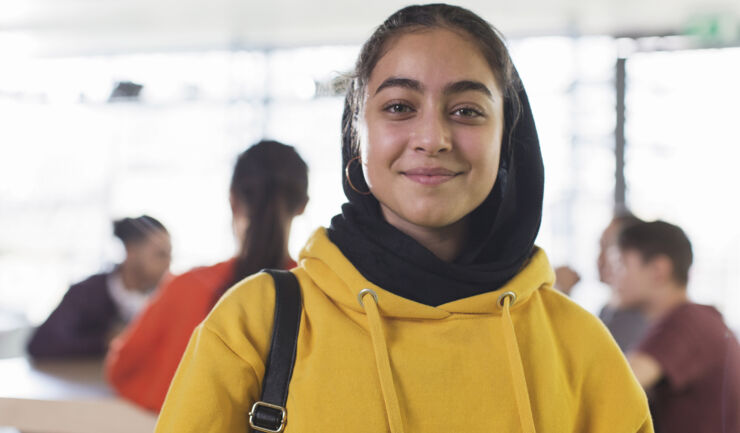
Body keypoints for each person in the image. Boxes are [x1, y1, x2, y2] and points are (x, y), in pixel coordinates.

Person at [155, 5, 652, 432]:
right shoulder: (257, 323)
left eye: (467, 111)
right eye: (398, 106)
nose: (432, 137)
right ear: (358, 136)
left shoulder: (579, 347)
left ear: (508, 142)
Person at [105, 140, 309, 412]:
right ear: (302, 206)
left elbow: (122, 369)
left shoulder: (186, 288)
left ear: (232, 200)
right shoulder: (319, 294)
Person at [615, 220, 740, 433]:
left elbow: (612, 389)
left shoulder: (684, 323)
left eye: (622, 264)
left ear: (658, 271)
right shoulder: (701, 318)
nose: (611, 275)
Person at [27, 215, 171, 358]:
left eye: (170, 255)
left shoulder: (166, 297)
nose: (168, 263)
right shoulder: (86, 293)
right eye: (160, 254)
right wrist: (106, 340)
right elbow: (41, 344)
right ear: (130, 251)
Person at [596, 212, 649, 352]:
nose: (600, 258)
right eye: (600, 247)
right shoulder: (609, 309)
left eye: (608, 248)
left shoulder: (634, 318)